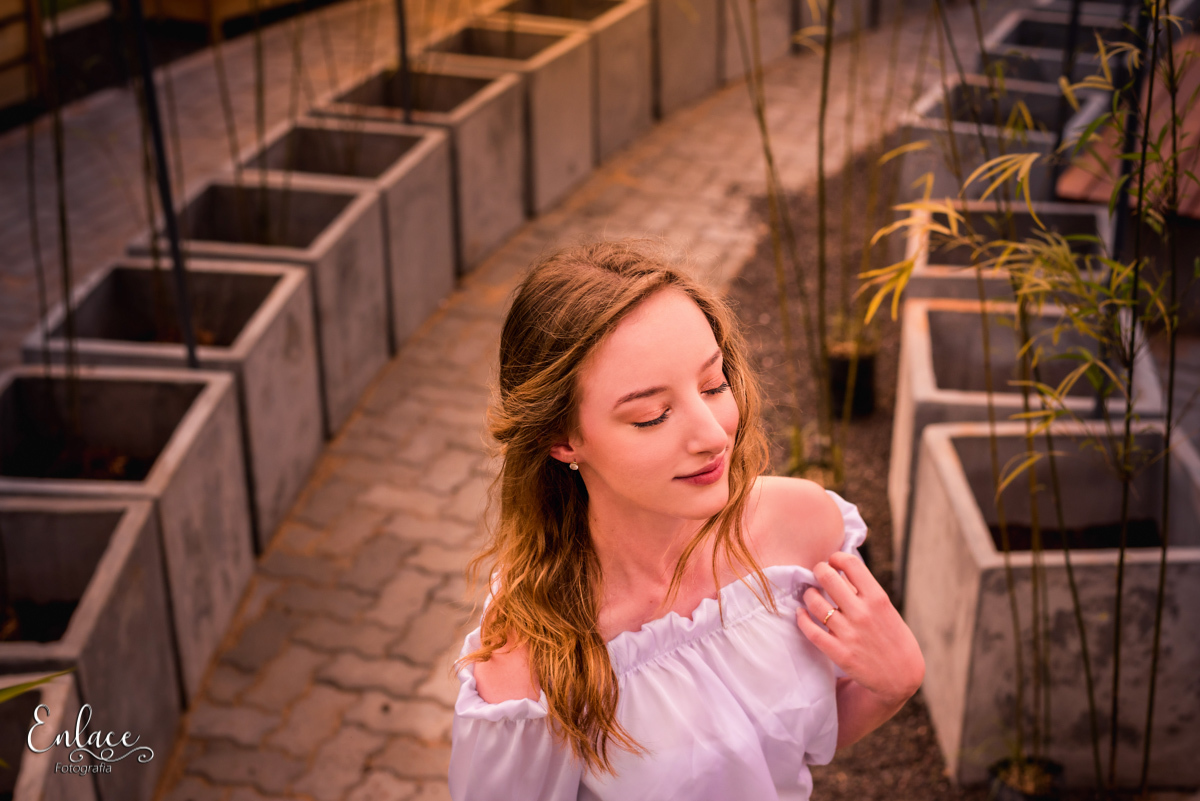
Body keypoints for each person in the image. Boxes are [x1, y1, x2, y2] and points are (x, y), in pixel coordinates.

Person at [448, 242, 924, 801]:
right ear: (562, 439)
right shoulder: (532, 661)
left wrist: (895, 684)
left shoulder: (803, 528)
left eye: (713, 385)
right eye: (652, 415)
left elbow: (782, 747)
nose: (713, 434)